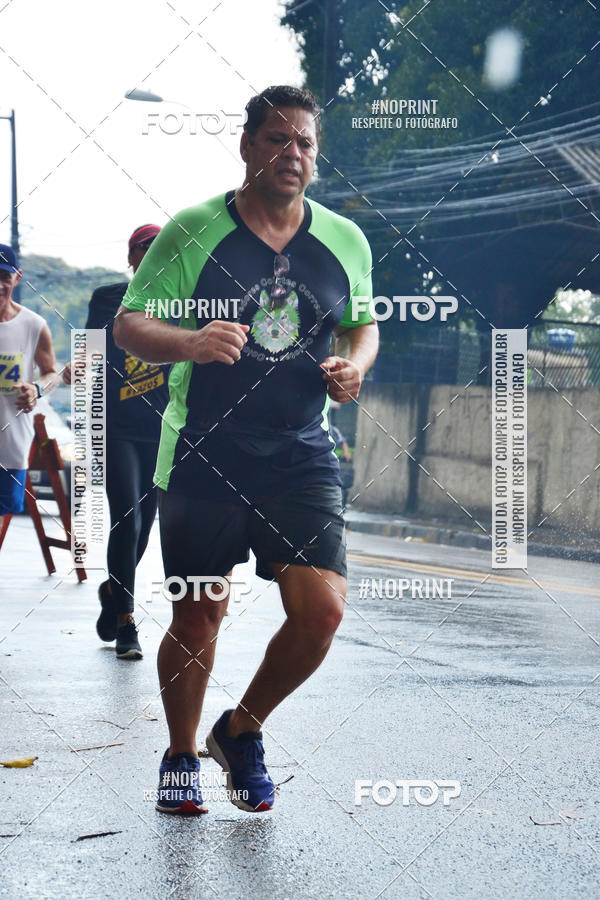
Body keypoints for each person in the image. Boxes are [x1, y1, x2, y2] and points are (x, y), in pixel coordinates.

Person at [114, 85, 379, 814]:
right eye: (277, 139)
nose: (292, 154)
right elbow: (130, 325)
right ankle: (179, 755)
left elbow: (362, 324)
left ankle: (241, 729)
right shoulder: (193, 231)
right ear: (247, 146)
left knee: (322, 611)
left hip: (301, 451)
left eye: (305, 144)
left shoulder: (344, 240)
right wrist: (191, 341)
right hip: (206, 450)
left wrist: (356, 365)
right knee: (200, 614)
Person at [64, 225, 168, 660]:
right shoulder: (108, 297)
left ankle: (112, 588)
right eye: (144, 248)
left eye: (159, 248)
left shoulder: (182, 304)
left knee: (145, 525)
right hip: (116, 426)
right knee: (126, 516)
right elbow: (89, 350)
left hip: (164, 427)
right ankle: (127, 622)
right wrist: (77, 369)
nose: (151, 254)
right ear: (131, 258)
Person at [0, 244, 60, 534]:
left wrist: (36, 388)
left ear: (17, 277)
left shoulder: (34, 325)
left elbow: (52, 373)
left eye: (3, 276)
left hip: (10, 445)